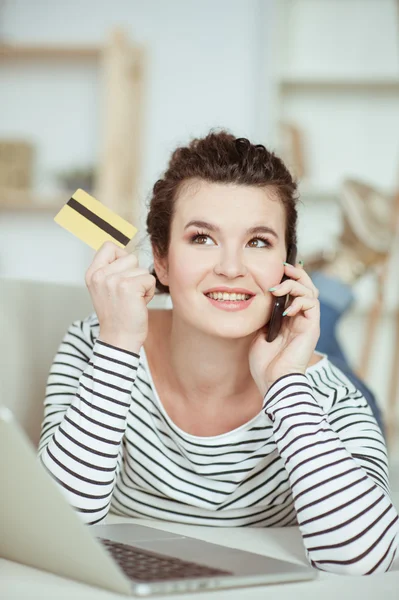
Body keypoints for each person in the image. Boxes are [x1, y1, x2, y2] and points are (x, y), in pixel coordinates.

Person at [38, 131, 398, 575]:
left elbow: (362, 561)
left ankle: (339, 273)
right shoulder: (96, 343)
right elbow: (55, 527)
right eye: (203, 238)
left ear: (288, 263)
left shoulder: (333, 397)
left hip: (309, 376)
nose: (231, 267)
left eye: (259, 242)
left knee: (324, 346)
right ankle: (344, 268)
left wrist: (285, 384)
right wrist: (117, 347)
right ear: (161, 259)